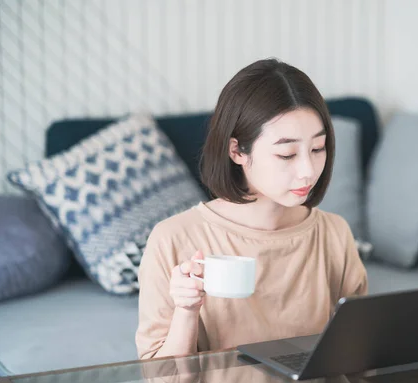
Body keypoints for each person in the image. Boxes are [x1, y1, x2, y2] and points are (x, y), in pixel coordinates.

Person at [135, 58, 368, 360]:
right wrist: (186, 311)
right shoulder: (171, 239)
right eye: (286, 154)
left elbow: (355, 359)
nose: (308, 171)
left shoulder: (334, 234)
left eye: (317, 148)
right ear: (237, 151)